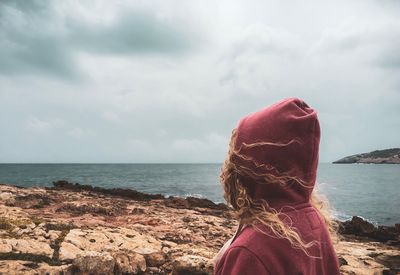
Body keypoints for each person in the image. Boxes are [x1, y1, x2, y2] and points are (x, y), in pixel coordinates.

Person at [213, 97, 340, 275]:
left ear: (248, 165)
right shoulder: (313, 220)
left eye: (236, 150)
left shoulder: (251, 251)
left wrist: (235, 257)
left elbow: (255, 252)